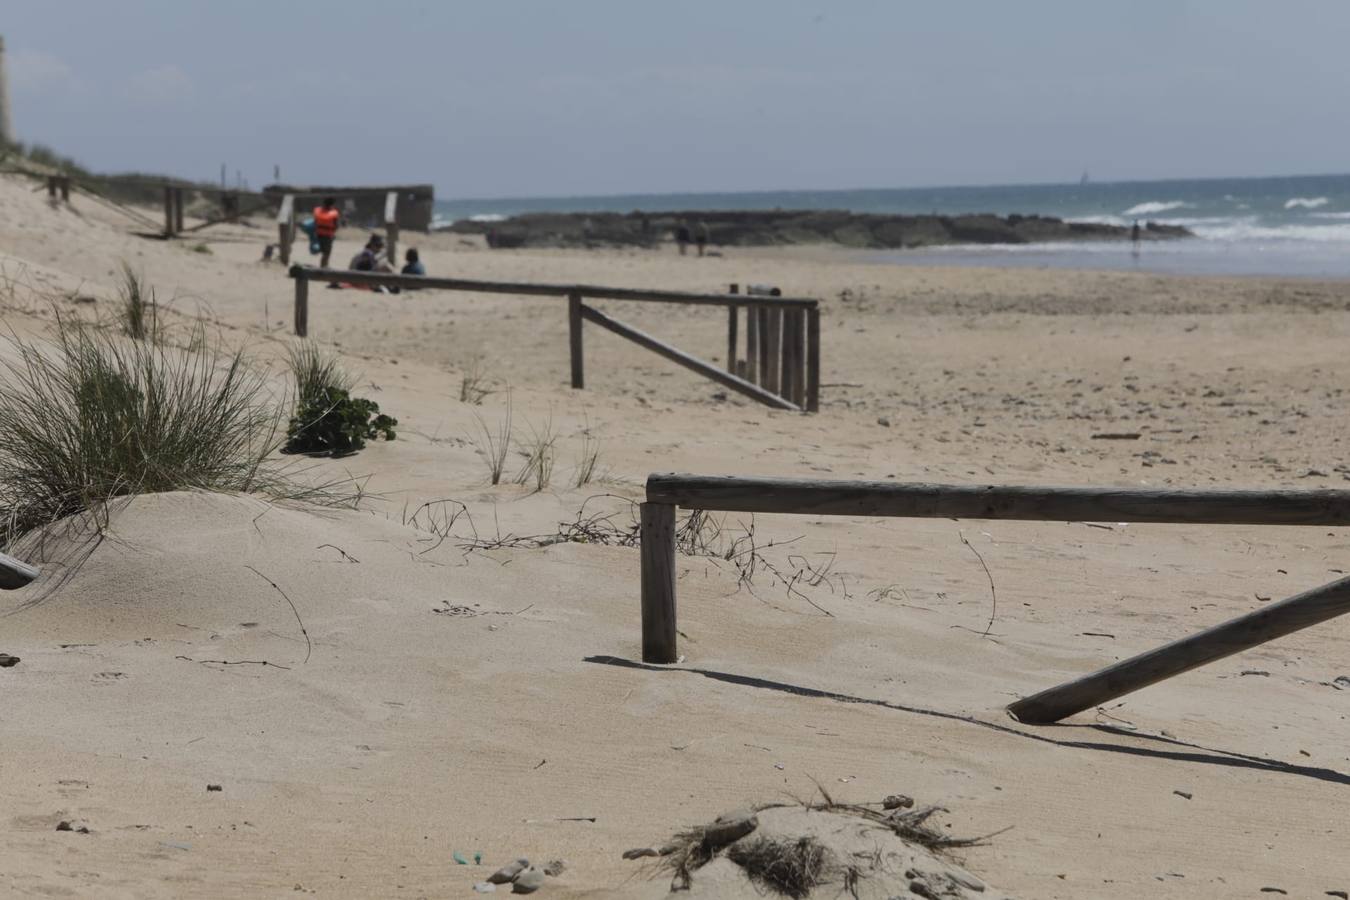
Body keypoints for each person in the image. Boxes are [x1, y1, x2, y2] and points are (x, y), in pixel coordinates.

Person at [313, 197, 340, 268]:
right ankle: (324, 266)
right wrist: (334, 233)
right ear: (332, 205)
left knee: (323, 251)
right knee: (326, 253)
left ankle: (324, 265)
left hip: (318, 234)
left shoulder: (317, 211)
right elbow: (336, 225)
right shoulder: (334, 213)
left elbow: (315, 222)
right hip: (328, 235)